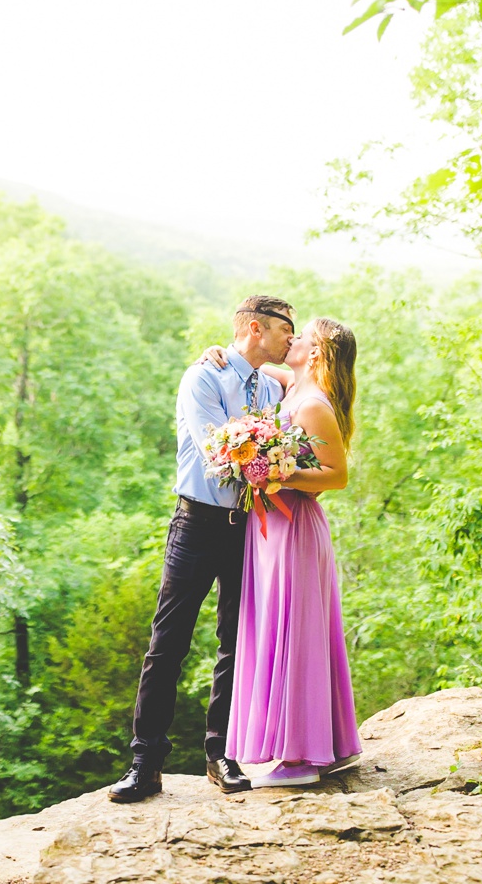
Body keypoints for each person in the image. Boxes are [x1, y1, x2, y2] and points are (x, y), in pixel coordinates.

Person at [108, 295, 296, 803]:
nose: (291, 339)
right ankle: (145, 763)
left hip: (248, 527)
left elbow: (309, 389)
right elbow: (218, 449)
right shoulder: (203, 378)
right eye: (285, 329)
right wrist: (270, 455)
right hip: (195, 524)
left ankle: (221, 754)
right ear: (256, 329)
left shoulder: (271, 385)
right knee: (167, 644)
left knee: (237, 642)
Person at [201, 316, 361, 787]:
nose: (291, 340)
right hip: (269, 527)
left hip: (294, 531)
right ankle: (316, 745)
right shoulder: (291, 384)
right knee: (277, 628)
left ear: (316, 353)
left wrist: (277, 473)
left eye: (302, 336)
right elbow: (249, 362)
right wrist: (217, 352)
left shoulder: (313, 405)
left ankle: (299, 760)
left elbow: (336, 476)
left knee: (295, 634)